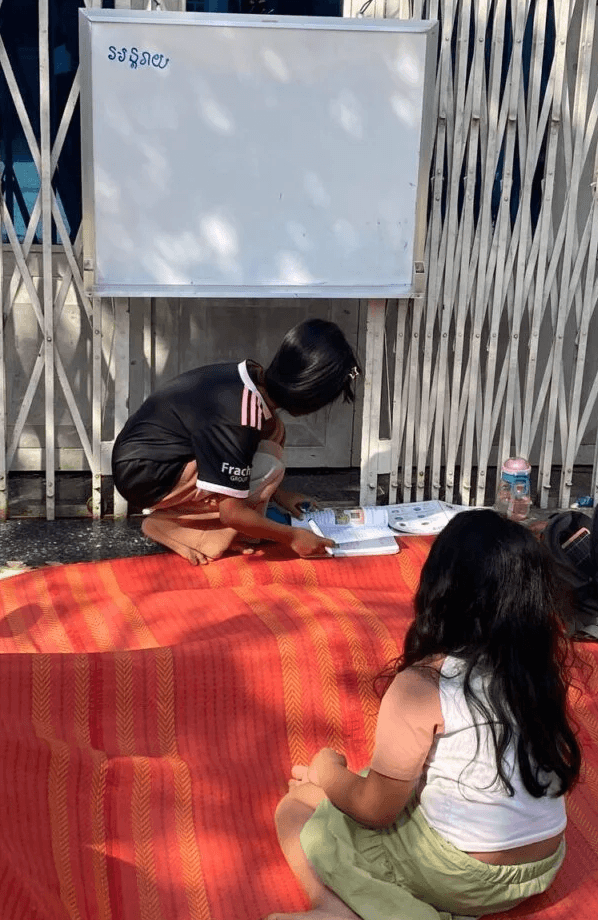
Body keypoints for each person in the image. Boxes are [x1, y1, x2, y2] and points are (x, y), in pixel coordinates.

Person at [265, 509, 582, 920]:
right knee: (357, 783)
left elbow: (377, 811)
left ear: (438, 590)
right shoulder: (539, 672)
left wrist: (326, 772)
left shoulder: (425, 684)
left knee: (296, 805)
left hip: (460, 875)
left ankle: (333, 907)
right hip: (540, 866)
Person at [112, 319, 360, 565]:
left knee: (272, 431)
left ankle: (222, 521)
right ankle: (173, 526)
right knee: (268, 470)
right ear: (311, 397)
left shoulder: (252, 379)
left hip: (148, 457)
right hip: (146, 476)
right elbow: (232, 513)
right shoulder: (240, 417)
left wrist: (279, 495)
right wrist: (293, 537)